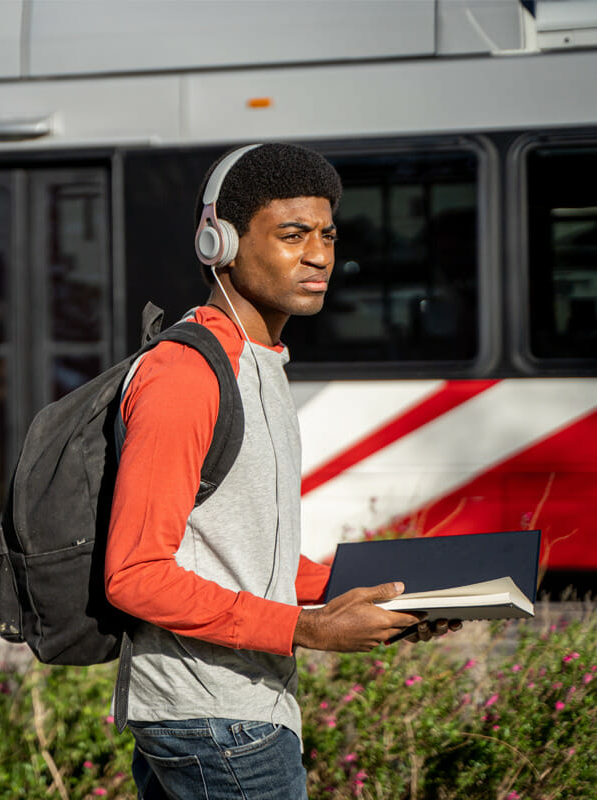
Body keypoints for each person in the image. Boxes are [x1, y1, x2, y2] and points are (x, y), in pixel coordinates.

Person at [104, 142, 459, 800]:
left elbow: (244, 551)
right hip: (215, 719)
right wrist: (308, 628)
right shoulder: (185, 374)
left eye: (327, 234)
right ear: (221, 243)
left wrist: (377, 596)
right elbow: (134, 574)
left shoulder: (260, 361)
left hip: (231, 712)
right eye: (293, 234)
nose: (320, 255)